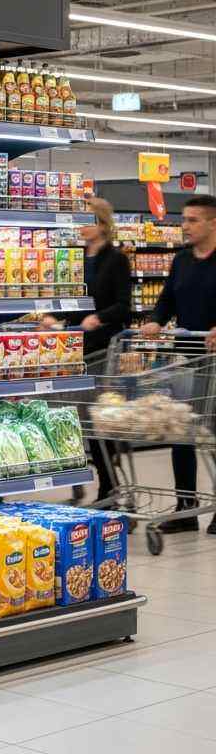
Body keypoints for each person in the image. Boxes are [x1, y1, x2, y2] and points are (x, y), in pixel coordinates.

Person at [41, 197, 132, 503]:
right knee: (77, 419)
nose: (80, 225)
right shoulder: (75, 258)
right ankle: (80, 480)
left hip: (104, 349)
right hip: (75, 348)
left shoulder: (116, 260)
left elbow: (123, 305)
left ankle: (109, 486)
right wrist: (53, 316)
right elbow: (69, 298)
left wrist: (99, 317)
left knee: (97, 421)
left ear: (102, 224)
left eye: (87, 219)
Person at [140, 194, 216, 534]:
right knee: (181, 432)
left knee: (213, 435)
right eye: (184, 219)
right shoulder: (182, 260)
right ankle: (186, 509)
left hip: (215, 361)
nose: (185, 226)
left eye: (192, 220)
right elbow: (167, 299)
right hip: (187, 357)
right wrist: (156, 320)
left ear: (213, 223)